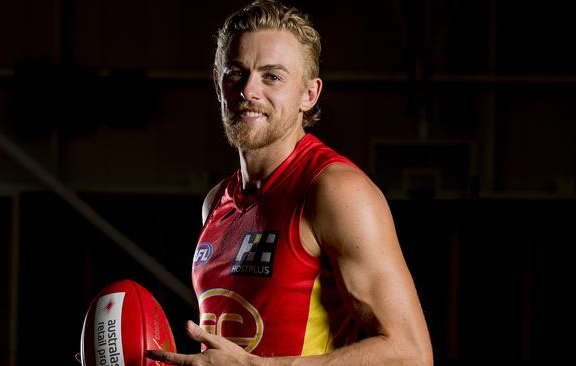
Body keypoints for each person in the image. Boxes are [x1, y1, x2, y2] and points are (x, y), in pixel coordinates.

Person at [146, 0, 433, 364]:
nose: (249, 91)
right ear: (218, 84)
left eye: (272, 76)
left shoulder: (335, 191)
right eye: (236, 72)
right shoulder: (217, 201)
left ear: (308, 94)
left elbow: (411, 353)